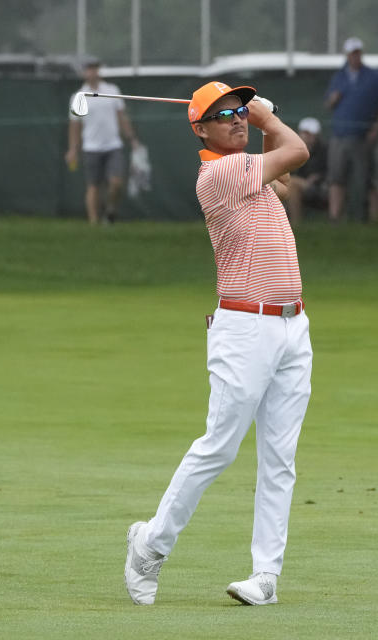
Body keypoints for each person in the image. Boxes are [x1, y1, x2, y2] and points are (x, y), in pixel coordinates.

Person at [124, 81, 312, 607]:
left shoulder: (250, 171)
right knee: (219, 447)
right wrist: (269, 117)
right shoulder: (221, 173)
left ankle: (266, 577)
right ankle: (150, 546)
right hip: (244, 328)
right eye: (224, 113)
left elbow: (287, 179)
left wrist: (263, 121)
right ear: (199, 129)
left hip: (292, 327)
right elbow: (296, 151)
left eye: (239, 110)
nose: (237, 118)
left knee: (280, 458)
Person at [325, 37, 378, 222]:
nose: (355, 56)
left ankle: (374, 218)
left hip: (364, 137)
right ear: (347, 55)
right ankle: (335, 219)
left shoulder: (375, 76)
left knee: (369, 179)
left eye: (358, 53)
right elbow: (328, 104)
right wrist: (334, 99)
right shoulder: (339, 77)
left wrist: (376, 128)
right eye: (352, 53)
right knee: (337, 178)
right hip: (339, 136)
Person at [66, 58, 141, 224]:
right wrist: (73, 149)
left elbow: (122, 117)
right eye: (88, 69)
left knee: (116, 183)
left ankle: (110, 211)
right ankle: (94, 225)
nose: (92, 72)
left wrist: (132, 138)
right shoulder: (79, 96)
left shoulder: (112, 90)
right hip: (90, 147)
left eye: (94, 69)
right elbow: (75, 125)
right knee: (93, 186)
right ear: (84, 73)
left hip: (113, 145)